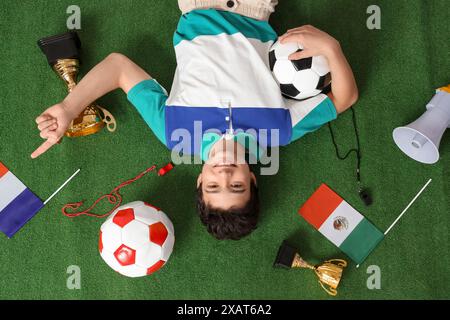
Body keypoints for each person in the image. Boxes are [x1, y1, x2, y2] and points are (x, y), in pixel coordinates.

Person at [31, 0, 358, 240]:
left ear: (200, 182)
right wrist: (332, 48)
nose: (225, 173)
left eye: (215, 186)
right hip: (256, 8)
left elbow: (118, 67)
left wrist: (69, 108)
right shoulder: (279, 131)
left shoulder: (173, 132)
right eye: (237, 186)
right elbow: (344, 98)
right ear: (253, 181)